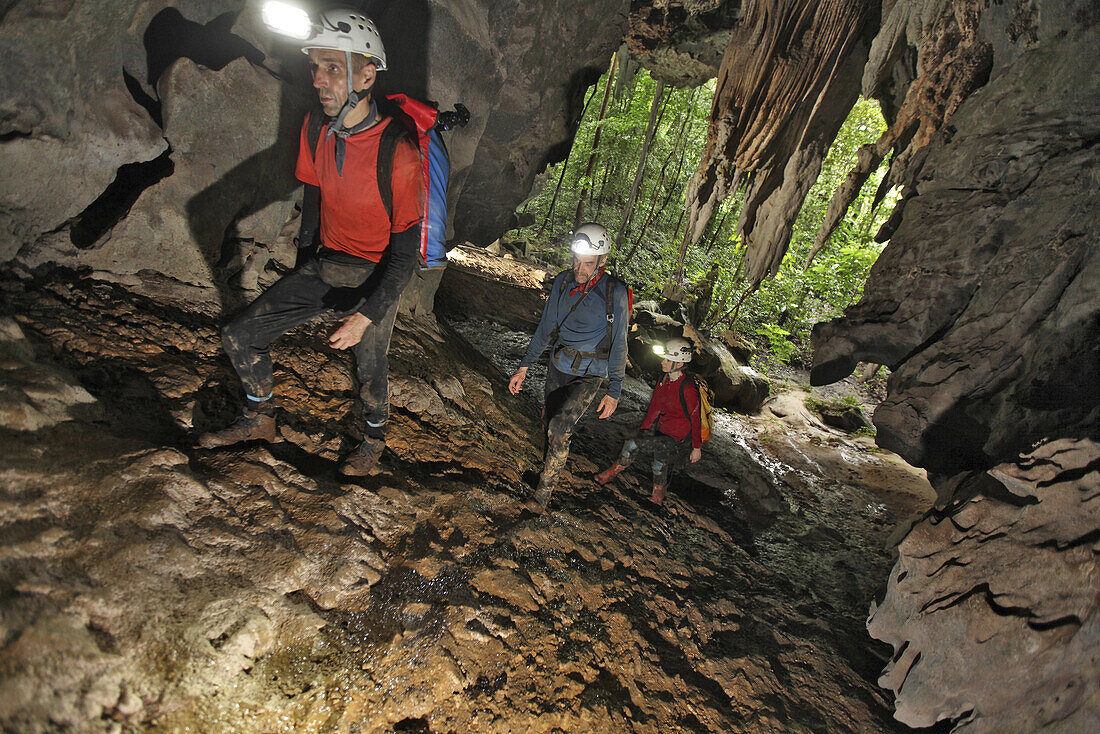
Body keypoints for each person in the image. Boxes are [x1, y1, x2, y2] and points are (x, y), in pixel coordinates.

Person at [198, 7, 424, 477]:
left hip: (376, 272)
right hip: (326, 264)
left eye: (333, 68)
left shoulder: (399, 154)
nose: (319, 79)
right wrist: (304, 270)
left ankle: (374, 439)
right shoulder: (317, 128)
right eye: (315, 66)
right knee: (240, 334)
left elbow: (405, 256)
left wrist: (365, 315)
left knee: (368, 367)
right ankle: (259, 418)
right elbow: (314, 202)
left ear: (367, 74)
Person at [508, 223, 630, 512]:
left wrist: (614, 390)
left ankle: (543, 495)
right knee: (547, 423)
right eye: (576, 261)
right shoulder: (563, 282)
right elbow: (545, 329)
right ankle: (545, 471)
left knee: (560, 428)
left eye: (587, 263)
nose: (580, 268)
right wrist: (524, 367)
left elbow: (620, 344)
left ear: (601, 262)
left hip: (591, 373)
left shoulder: (616, 293)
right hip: (559, 364)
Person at [594, 337, 702, 506]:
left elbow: (696, 418)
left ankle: (608, 475)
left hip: (677, 438)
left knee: (632, 445)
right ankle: (657, 498)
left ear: (679, 364)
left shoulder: (688, 389)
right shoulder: (663, 380)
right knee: (659, 461)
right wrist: (644, 429)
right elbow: (655, 407)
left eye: (667, 359)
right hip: (663, 431)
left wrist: (697, 447)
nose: (662, 362)